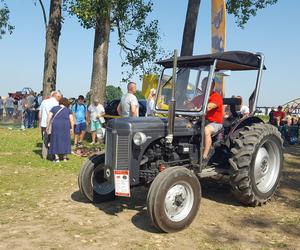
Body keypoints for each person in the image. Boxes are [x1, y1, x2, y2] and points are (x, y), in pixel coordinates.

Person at [202, 79, 223, 165]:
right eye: (203, 84)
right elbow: (190, 104)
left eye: (205, 84)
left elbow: (209, 107)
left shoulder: (216, 97)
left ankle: (205, 155)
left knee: (206, 130)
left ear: (212, 86)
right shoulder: (201, 96)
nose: (203, 86)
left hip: (216, 123)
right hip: (203, 120)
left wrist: (201, 107)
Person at [46, 98, 74, 162]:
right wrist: (72, 128)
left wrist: (47, 126)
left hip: (56, 125)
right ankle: (64, 157)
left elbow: (49, 117)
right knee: (65, 140)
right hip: (65, 125)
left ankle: (57, 157)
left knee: (55, 139)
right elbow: (72, 120)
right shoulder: (68, 110)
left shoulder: (54, 108)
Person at [39, 91, 62, 159]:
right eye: (60, 97)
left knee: (45, 140)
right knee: (53, 140)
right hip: (53, 123)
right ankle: (53, 155)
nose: (60, 99)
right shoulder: (56, 103)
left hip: (44, 123)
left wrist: (40, 122)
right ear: (57, 96)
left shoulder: (44, 101)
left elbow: (40, 113)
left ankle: (44, 155)